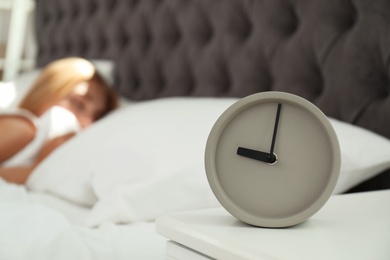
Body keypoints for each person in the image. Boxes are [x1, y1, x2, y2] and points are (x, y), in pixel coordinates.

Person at [0, 57, 118, 184]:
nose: (87, 123)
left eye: (97, 117)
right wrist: (35, 168)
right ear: (46, 91)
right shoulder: (23, 128)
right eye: (78, 104)